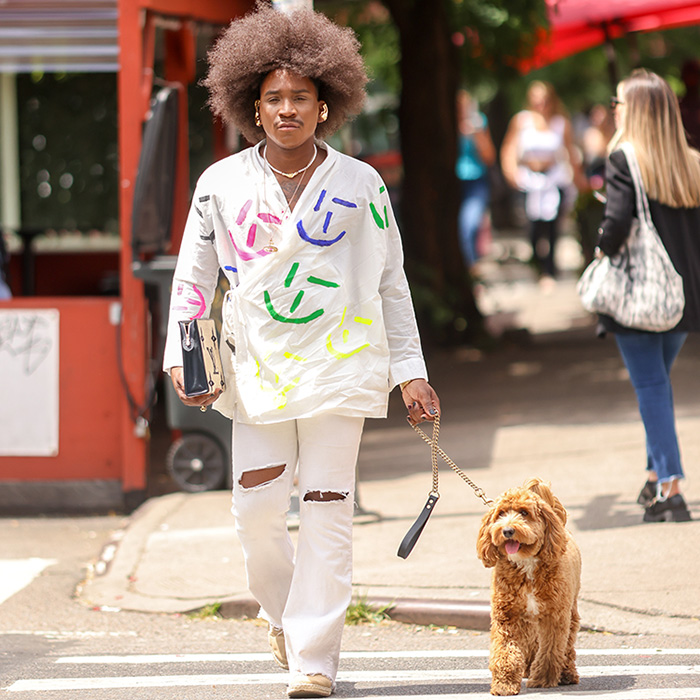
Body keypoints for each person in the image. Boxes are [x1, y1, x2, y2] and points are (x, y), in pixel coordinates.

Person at [162, 5, 440, 698]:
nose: (287, 110)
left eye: (301, 99)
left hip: (341, 369)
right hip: (253, 373)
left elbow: (390, 283)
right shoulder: (220, 185)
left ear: (327, 105)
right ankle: (284, 613)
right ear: (251, 105)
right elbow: (193, 280)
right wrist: (182, 354)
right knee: (255, 517)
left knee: (327, 507)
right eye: (274, 98)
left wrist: (411, 373)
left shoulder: (361, 186)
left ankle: (314, 656)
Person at [596, 68, 700, 523]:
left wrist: (600, 246)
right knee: (656, 386)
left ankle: (669, 488)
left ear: (634, 110)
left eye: (618, 102)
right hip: (683, 297)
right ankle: (655, 474)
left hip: (640, 295)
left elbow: (617, 223)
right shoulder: (691, 161)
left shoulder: (624, 158)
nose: (614, 110)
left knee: (652, 388)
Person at [501, 81, 587, 285]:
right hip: (529, 180)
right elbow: (509, 149)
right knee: (532, 228)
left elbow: (571, 153)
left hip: (553, 180)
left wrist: (580, 181)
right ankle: (537, 264)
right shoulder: (521, 121)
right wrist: (511, 173)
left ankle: (550, 269)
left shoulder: (560, 123)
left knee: (553, 228)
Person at [455, 89, 496, 273]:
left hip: (476, 181)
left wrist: (476, 133)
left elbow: (489, 157)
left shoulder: (478, 122)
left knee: (469, 225)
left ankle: (471, 270)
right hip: (454, 184)